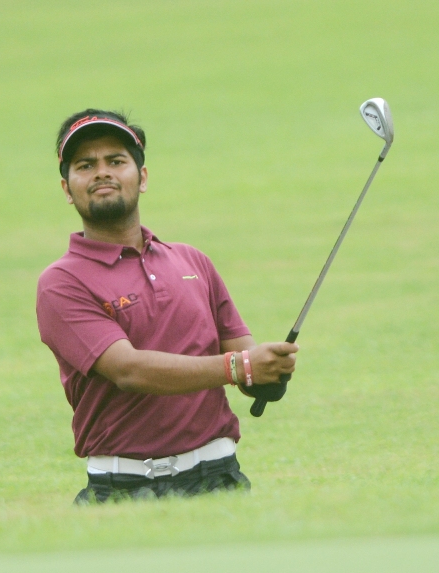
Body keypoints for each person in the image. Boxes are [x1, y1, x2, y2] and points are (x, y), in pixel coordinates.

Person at [35, 109, 298, 504]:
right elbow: (128, 370)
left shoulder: (192, 261)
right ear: (67, 188)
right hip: (122, 490)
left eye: (116, 161)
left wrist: (269, 373)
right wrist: (240, 367)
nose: (102, 172)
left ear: (142, 177)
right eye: (85, 165)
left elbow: (245, 364)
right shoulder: (61, 282)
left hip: (218, 479)